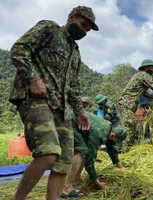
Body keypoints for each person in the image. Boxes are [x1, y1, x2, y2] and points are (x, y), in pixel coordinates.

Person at [9, 5, 98, 200]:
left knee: (64, 163)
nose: (84, 31)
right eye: (83, 25)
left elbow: (73, 87)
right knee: (48, 153)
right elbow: (19, 49)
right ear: (71, 17)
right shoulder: (49, 29)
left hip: (63, 109)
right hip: (37, 100)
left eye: (87, 30)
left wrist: (80, 111)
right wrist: (33, 78)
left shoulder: (75, 51)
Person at [60, 112, 127, 198]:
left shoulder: (109, 128)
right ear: (112, 135)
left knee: (84, 150)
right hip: (69, 122)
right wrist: (97, 182)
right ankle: (66, 188)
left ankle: (76, 180)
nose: (115, 142)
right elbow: (90, 161)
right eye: (116, 140)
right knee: (81, 151)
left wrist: (121, 167)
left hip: (78, 124)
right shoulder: (99, 134)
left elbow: (111, 148)